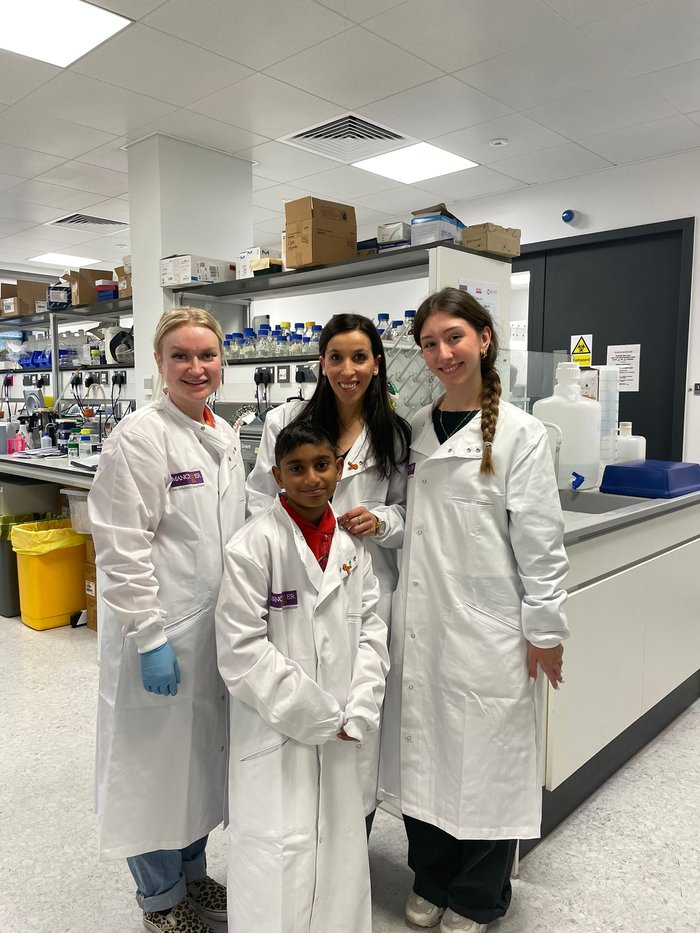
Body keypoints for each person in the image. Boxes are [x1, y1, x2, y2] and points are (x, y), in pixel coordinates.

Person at [379, 287, 569, 933]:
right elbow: (410, 518)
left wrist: (546, 629)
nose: (442, 353)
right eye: (430, 343)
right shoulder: (415, 428)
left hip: (490, 629)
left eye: (453, 337)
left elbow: (541, 542)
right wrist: (379, 522)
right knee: (423, 751)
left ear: (484, 338)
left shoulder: (521, 433)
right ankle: (430, 876)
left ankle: (477, 894)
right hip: (422, 623)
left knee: (486, 760)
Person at [88, 307, 246, 933]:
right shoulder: (139, 437)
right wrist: (150, 637)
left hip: (212, 633)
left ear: (221, 361)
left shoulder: (223, 433)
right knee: (152, 768)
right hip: (158, 633)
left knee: (199, 761)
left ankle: (193, 871)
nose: (195, 367)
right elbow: (121, 548)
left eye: (207, 355)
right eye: (181, 356)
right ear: (158, 363)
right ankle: (159, 898)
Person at [215, 421, 390, 933]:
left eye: (322, 465)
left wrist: (361, 705)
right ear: (277, 476)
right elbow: (241, 650)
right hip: (276, 732)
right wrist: (318, 714)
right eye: (297, 468)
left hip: (344, 730)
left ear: (338, 469)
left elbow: (372, 630)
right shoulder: (253, 546)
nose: (312, 479)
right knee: (277, 858)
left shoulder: (353, 548)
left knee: (339, 850)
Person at [246, 312, 409, 829]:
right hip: (293, 588)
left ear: (377, 363)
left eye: (359, 357)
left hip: (363, 589)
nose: (347, 369)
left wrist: (381, 520)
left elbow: (408, 512)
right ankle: (296, 842)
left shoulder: (393, 434)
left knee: (357, 710)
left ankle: (352, 839)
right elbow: (258, 501)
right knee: (295, 705)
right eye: (336, 357)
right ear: (322, 363)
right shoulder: (286, 421)